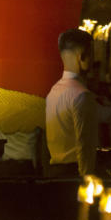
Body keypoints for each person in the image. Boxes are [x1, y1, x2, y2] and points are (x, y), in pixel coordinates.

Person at [45, 29, 98, 176]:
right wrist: (86, 180)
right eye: (92, 54)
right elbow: (84, 145)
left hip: (54, 172)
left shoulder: (53, 92)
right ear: (82, 57)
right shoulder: (81, 95)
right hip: (74, 173)